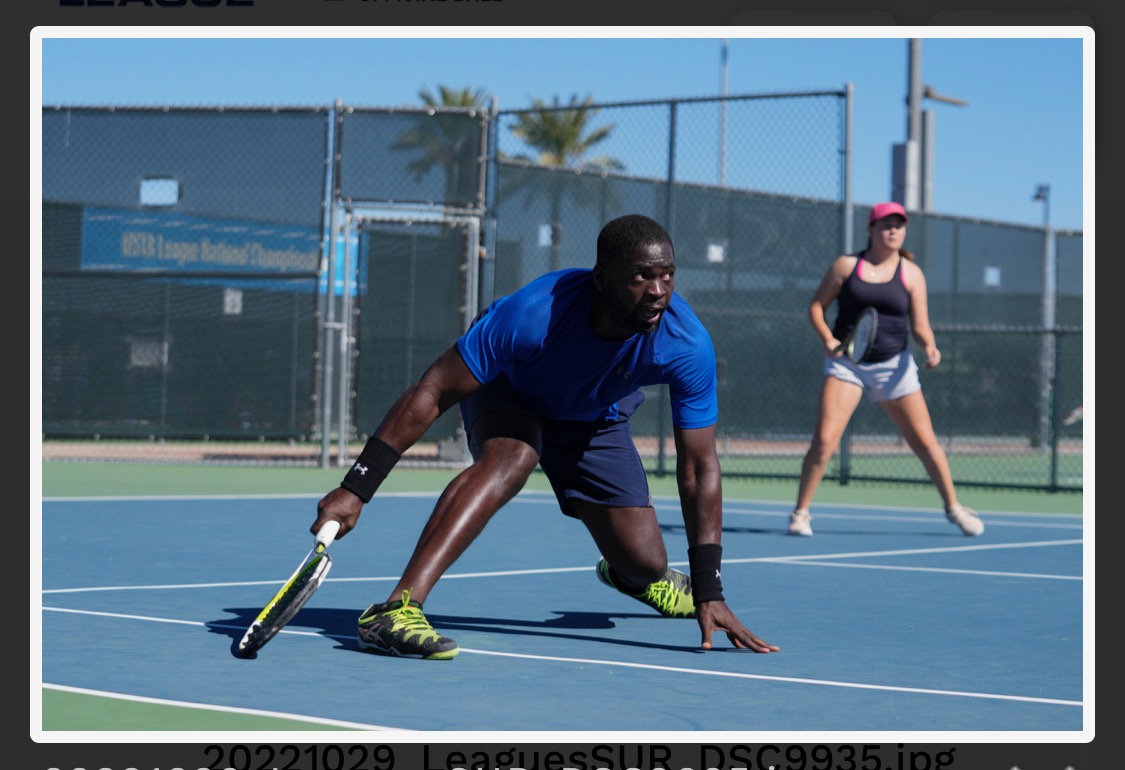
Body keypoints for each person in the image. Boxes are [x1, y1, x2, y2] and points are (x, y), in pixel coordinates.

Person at [313, 213, 780, 660]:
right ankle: (396, 612)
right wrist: (358, 487)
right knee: (512, 458)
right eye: (641, 277)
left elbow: (699, 468)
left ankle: (633, 576)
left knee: (645, 564)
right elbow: (432, 392)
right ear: (602, 278)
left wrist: (709, 589)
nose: (658, 292)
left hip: (593, 414)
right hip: (511, 392)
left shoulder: (686, 342)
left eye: (668, 275)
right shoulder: (533, 314)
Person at [788, 201, 984, 538]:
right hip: (847, 364)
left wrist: (930, 346)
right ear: (871, 230)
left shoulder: (911, 273)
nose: (893, 230)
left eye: (899, 225)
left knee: (925, 443)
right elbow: (817, 306)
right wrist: (827, 338)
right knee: (823, 442)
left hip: (895, 366)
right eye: (885, 224)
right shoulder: (846, 266)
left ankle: (954, 508)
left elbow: (920, 325)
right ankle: (800, 513)